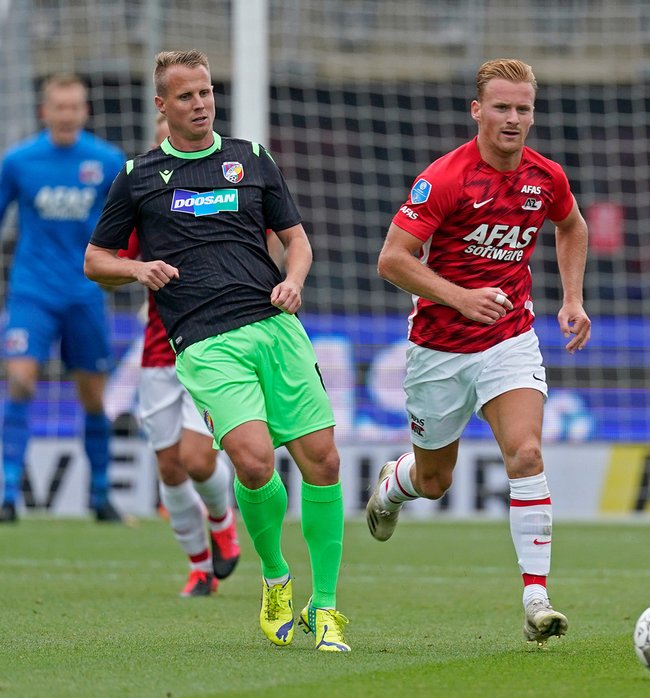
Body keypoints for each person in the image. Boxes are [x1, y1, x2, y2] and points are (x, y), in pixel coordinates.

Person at [84, 49, 349, 652]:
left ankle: (327, 606)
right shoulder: (138, 176)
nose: (200, 104)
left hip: (275, 326)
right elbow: (95, 261)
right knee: (254, 463)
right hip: (205, 342)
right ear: (162, 106)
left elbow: (297, 240)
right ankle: (277, 579)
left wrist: (294, 280)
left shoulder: (251, 160)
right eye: (186, 96)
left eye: (205, 92)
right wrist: (137, 268)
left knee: (324, 463)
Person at [374, 58, 591, 645]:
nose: (513, 118)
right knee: (435, 479)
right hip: (439, 350)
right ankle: (396, 482)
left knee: (525, 453)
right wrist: (460, 298)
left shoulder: (546, 176)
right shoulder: (443, 179)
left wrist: (571, 299)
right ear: (478, 110)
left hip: (509, 339)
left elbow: (571, 227)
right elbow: (392, 259)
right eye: (501, 107)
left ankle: (536, 599)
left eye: (523, 108)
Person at [117, 113, 240, 598]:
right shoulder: (142, 200)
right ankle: (199, 566)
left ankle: (222, 521)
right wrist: (135, 270)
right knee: (168, 466)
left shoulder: (218, 198)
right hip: (157, 350)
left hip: (211, 345)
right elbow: (108, 262)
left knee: (197, 458)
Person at [0, 73, 125, 523]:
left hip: (84, 293)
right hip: (32, 290)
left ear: (85, 111)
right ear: (45, 111)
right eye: (60, 107)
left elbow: (125, 226)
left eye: (75, 107)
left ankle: (100, 494)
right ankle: (7, 493)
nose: (68, 114)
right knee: (20, 381)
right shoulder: (18, 161)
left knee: (93, 397)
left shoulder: (108, 161)